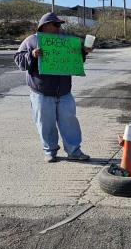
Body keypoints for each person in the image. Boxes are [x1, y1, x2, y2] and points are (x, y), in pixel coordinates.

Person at [14, 12, 92, 163]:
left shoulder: (65, 41)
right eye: (56, 25)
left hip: (64, 92)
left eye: (60, 25)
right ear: (45, 25)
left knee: (70, 123)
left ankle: (74, 151)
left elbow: (75, 60)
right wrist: (32, 54)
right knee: (45, 123)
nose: (59, 28)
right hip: (41, 93)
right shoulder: (31, 40)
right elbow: (19, 60)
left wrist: (83, 52)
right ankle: (50, 151)